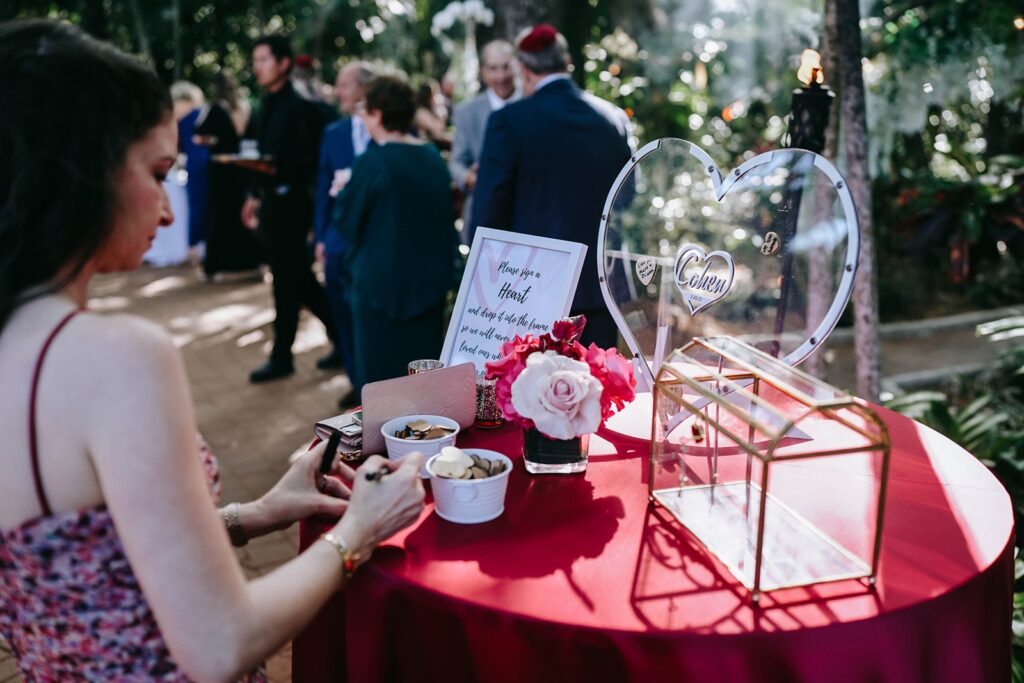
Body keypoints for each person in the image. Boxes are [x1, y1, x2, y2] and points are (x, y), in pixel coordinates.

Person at [0, 19, 425, 682]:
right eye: (158, 173)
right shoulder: (118, 357)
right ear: (82, 174)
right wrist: (359, 530)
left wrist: (253, 514)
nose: (170, 212)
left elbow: (89, 565)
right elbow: (220, 642)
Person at [471, 24, 631, 349]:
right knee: (598, 377)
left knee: (536, 380)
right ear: (567, 62)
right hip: (601, 284)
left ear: (524, 69)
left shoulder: (509, 121)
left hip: (531, 288)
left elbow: (489, 211)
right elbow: (627, 197)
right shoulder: (612, 118)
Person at [332, 75, 457, 395]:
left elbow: (347, 222)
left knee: (381, 388)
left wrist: (344, 191)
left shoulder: (373, 161)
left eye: (365, 110)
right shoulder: (432, 157)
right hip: (428, 289)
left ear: (377, 114)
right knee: (424, 387)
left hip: (380, 293)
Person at [241, 34, 340, 383]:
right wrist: (254, 193)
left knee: (287, 282)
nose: (257, 67)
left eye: (263, 60)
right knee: (300, 280)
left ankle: (282, 356)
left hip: (294, 205)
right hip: (272, 203)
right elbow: (258, 152)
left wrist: (278, 167)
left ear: (284, 63)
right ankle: (343, 339)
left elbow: (315, 161)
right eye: (255, 61)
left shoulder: (301, 106)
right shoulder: (264, 104)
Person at [313, 61, 376, 400]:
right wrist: (321, 237)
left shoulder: (385, 129)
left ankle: (377, 380)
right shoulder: (333, 133)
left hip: (375, 239)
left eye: (345, 84)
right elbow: (323, 187)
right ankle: (356, 381)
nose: (338, 91)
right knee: (341, 310)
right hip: (338, 239)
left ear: (364, 88)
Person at [195, 71, 264, 276]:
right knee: (243, 212)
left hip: (221, 169)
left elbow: (198, 135)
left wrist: (214, 140)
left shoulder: (215, 108)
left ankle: (216, 265)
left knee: (218, 215)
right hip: (243, 167)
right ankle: (252, 261)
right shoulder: (246, 107)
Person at [449, 39, 519, 241]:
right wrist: (469, 178)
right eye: (493, 68)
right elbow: (456, 162)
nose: (501, 76)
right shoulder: (467, 112)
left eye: (506, 67)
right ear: (483, 71)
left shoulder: (532, 104)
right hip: (484, 213)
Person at [171, 80, 210, 249]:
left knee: (196, 206)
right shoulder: (202, 112)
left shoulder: (186, 116)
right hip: (203, 162)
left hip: (195, 164)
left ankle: (194, 245)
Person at [413, 79, 452, 149]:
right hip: (424, 147)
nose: (437, 97)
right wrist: (441, 113)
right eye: (435, 94)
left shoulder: (428, 111)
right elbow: (438, 131)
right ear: (428, 96)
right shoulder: (421, 112)